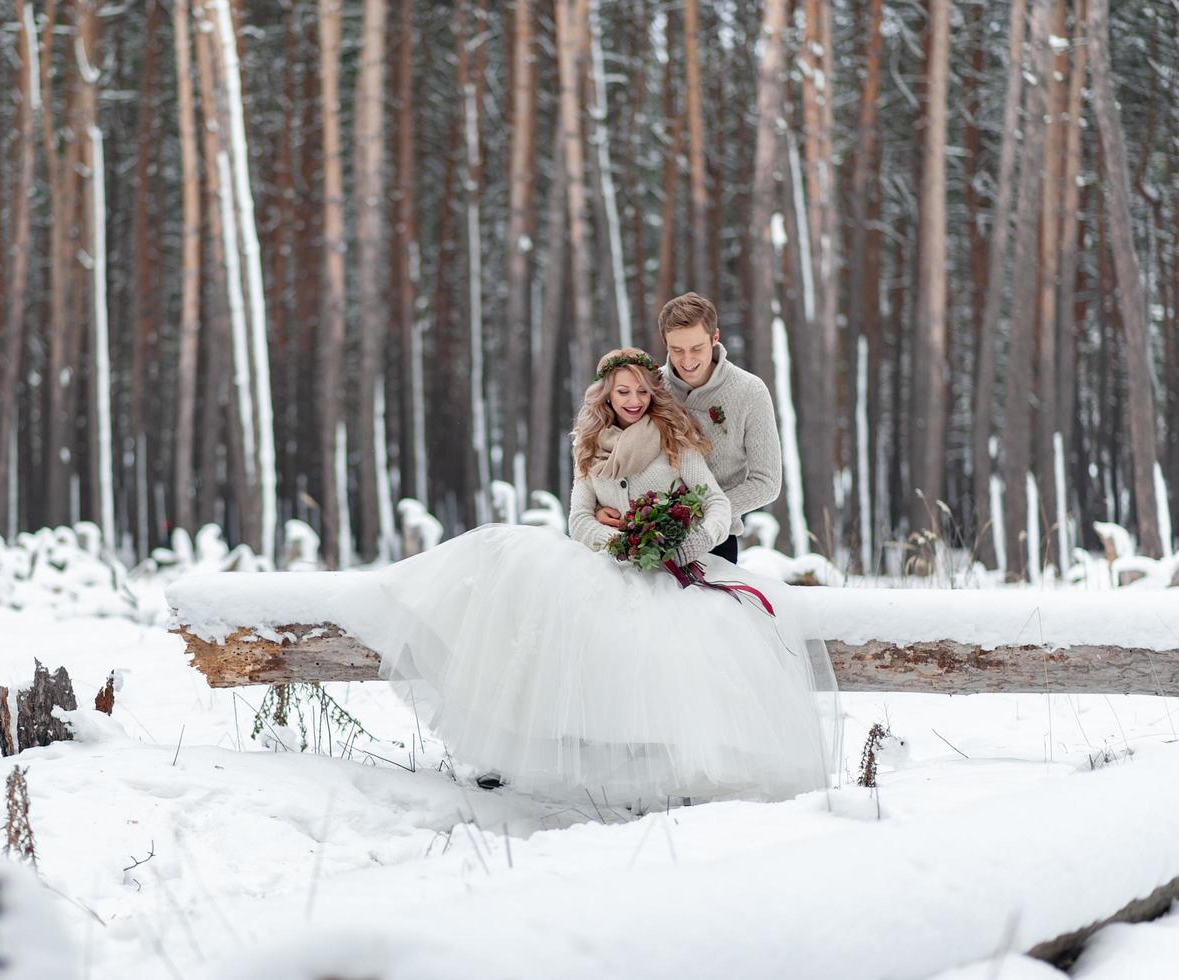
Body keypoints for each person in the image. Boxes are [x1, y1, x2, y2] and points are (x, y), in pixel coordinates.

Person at [358, 348, 839, 806]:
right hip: (611, 563)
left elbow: (714, 502)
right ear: (605, 395)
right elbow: (579, 520)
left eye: (642, 393)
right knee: (521, 582)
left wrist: (687, 541)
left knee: (681, 649)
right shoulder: (588, 447)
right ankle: (514, 753)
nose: (633, 402)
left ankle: (679, 773)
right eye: (623, 393)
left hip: (668, 569)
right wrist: (619, 542)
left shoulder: (675, 440)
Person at [595, 293, 781, 564]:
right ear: (665, 344)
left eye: (697, 348)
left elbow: (767, 483)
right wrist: (602, 507)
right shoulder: (650, 389)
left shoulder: (750, 391)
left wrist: (698, 512)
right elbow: (618, 452)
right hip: (647, 536)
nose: (687, 360)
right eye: (677, 350)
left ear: (714, 338)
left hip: (715, 540)